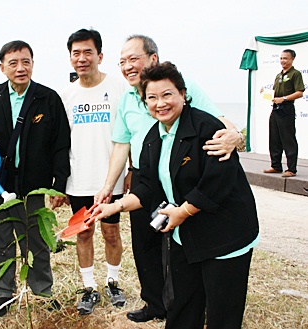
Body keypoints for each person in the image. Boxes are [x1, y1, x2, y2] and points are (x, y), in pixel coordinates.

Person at [94, 62, 259, 329]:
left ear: (183, 94)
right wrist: (115, 206)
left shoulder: (207, 128)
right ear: (144, 101)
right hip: (187, 234)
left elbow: (215, 183)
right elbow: (146, 186)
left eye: (167, 94)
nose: (160, 103)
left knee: (221, 315)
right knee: (182, 307)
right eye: (152, 97)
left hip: (225, 235)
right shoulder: (152, 138)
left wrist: (181, 212)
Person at [0, 40, 70, 317]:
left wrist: (59, 184)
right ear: (2, 68)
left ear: (33, 64)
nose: (20, 68)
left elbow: (61, 144)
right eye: (13, 63)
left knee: (37, 241)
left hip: (33, 187)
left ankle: (43, 292)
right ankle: (3, 294)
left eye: (26, 61)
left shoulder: (48, 98)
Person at [60, 29, 128, 315]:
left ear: (100, 56)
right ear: (71, 59)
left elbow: (130, 133)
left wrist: (131, 170)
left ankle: (113, 281)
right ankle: (89, 288)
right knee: (84, 234)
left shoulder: (119, 88)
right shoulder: (66, 96)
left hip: (111, 180)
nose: (82, 58)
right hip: (79, 180)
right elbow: (61, 142)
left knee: (111, 234)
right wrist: (61, 183)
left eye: (88, 52)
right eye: (76, 53)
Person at [263, 49, 305, 177]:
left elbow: (300, 92)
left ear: (292, 59)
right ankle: (275, 166)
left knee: (288, 139)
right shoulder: (278, 75)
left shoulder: (295, 74)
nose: (283, 61)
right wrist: (265, 92)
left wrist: (284, 98)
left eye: (285, 58)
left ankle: (291, 169)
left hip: (286, 109)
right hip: (275, 109)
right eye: (281, 58)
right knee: (274, 138)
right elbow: (276, 92)